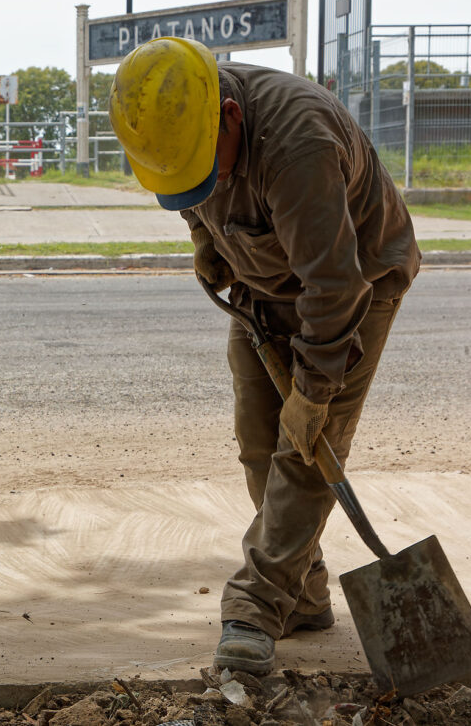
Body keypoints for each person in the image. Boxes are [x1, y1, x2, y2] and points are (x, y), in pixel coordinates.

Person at [108, 37, 421, 676]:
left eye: (208, 166)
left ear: (231, 115)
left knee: (303, 453)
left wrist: (315, 391)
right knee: (259, 443)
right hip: (263, 286)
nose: (204, 183)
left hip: (353, 287)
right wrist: (208, 239)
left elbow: (332, 290)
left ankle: (254, 608)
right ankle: (303, 597)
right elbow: (187, 190)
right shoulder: (177, 120)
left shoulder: (297, 145)